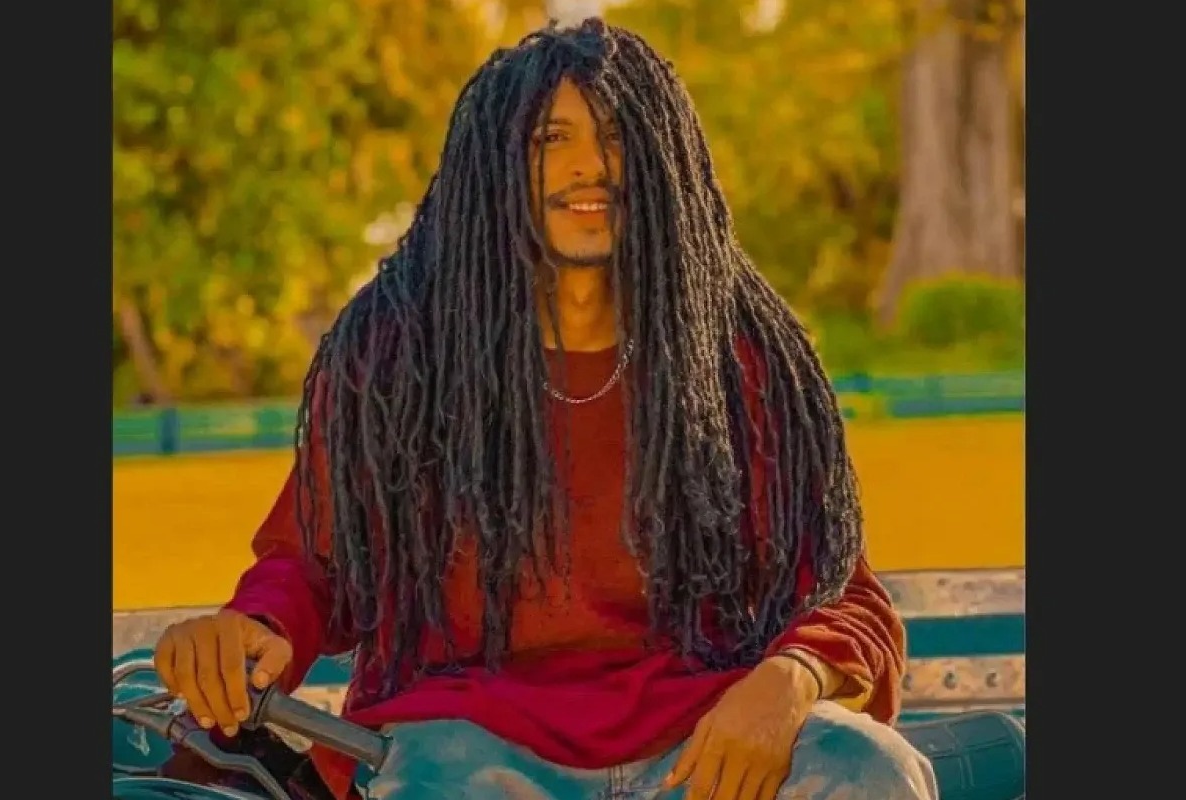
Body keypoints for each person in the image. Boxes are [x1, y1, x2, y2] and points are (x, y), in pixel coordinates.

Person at [153, 19, 936, 800]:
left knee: (874, 772)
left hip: (702, 746)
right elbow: (312, 565)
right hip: (466, 751)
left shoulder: (736, 358)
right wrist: (255, 630)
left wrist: (790, 681)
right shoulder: (395, 360)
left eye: (616, 136)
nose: (589, 166)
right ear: (491, 168)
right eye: (549, 139)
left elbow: (842, 591)